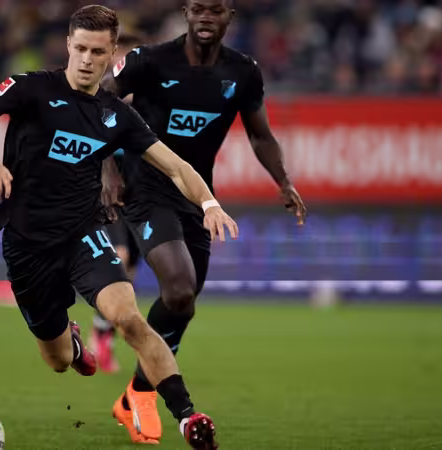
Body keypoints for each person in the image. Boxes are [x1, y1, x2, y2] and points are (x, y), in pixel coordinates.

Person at [0, 5, 239, 448]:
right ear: (68, 44)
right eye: (80, 48)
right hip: (27, 247)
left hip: (83, 236)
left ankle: (187, 417)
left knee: (130, 320)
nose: (86, 59)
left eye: (97, 51)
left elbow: (177, 167)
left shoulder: (116, 115)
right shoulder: (31, 88)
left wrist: (210, 203)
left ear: (112, 53)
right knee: (59, 359)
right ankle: (74, 342)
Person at [102, 0, 307, 444]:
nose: (206, 18)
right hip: (144, 188)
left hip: (196, 195)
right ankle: (158, 401)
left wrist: (283, 181)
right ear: (186, 13)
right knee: (178, 289)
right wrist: (108, 167)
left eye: (215, 10)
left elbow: (260, 134)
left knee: (183, 303)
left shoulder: (243, 72)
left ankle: (136, 393)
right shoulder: (148, 60)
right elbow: (99, 101)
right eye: (198, 9)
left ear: (229, 15)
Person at [89, 33, 145, 374]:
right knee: (120, 256)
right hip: (106, 190)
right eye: (122, 53)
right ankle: (101, 332)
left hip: (140, 191)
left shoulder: (148, 97)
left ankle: (103, 332)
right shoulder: (101, 94)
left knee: (130, 271)